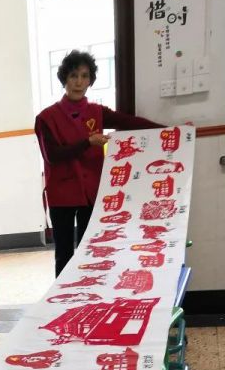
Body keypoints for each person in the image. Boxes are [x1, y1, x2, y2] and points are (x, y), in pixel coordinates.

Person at [34, 49, 163, 277]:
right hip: (61, 195)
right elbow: (52, 155)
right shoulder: (47, 117)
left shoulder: (96, 112)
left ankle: (88, 291)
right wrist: (87, 142)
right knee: (64, 254)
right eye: (73, 76)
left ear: (90, 80)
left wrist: (169, 129)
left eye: (85, 76)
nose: (79, 82)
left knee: (90, 249)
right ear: (64, 79)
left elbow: (128, 122)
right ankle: (65, 295)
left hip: (92, 193)